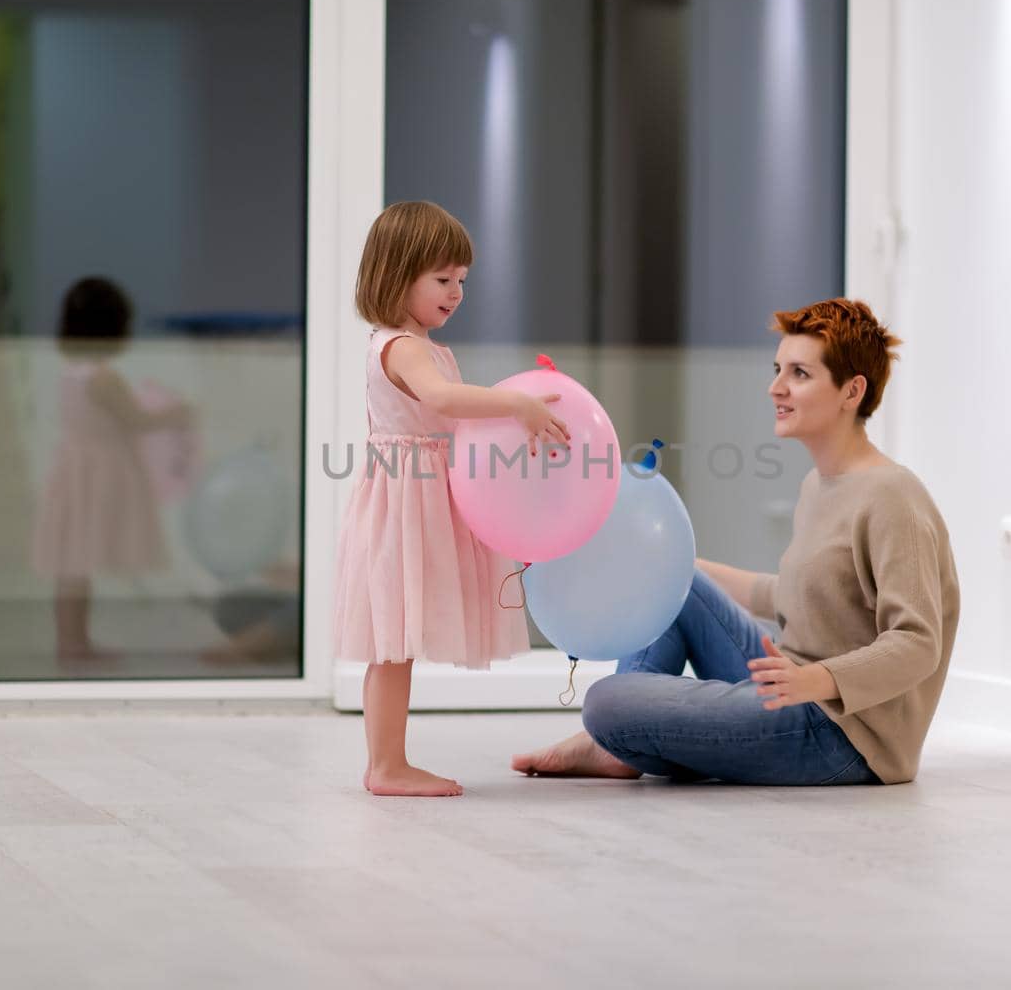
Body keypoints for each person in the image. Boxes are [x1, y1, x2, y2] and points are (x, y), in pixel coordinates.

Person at [513, 298, 960, 786]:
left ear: (852, 391)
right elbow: (784, 595)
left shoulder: (893, 496)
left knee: (606, 703)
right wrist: (653, 560)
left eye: (800, 374)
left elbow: (918, 643)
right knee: (674, 581)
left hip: (843, 735)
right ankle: (621, 746)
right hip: (789, 683)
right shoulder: (820, 484)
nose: (776, 388)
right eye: (777, 370)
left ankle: (621, 736)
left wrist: (817, 680)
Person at [334, 201, 567, 797]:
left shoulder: (422, 344)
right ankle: (386, 766)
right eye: (442, 279)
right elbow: (440, 401)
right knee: (393, 641)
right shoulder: (404, 347)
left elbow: (452, 417)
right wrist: (514, 403)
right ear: (396, 274)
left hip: (420, 493)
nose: (456, 292)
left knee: (398, 639)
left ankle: (387, 762)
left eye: (462, 280)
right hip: (404, 497)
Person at [31, 276, 192, 663]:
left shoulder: (71, 373)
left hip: (74, 470)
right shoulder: (104, 377)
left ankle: (72, 640)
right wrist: (176, 413)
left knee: (72, 564)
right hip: (98, 475)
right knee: (78, 562)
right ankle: (74, 643)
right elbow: (135, 420)